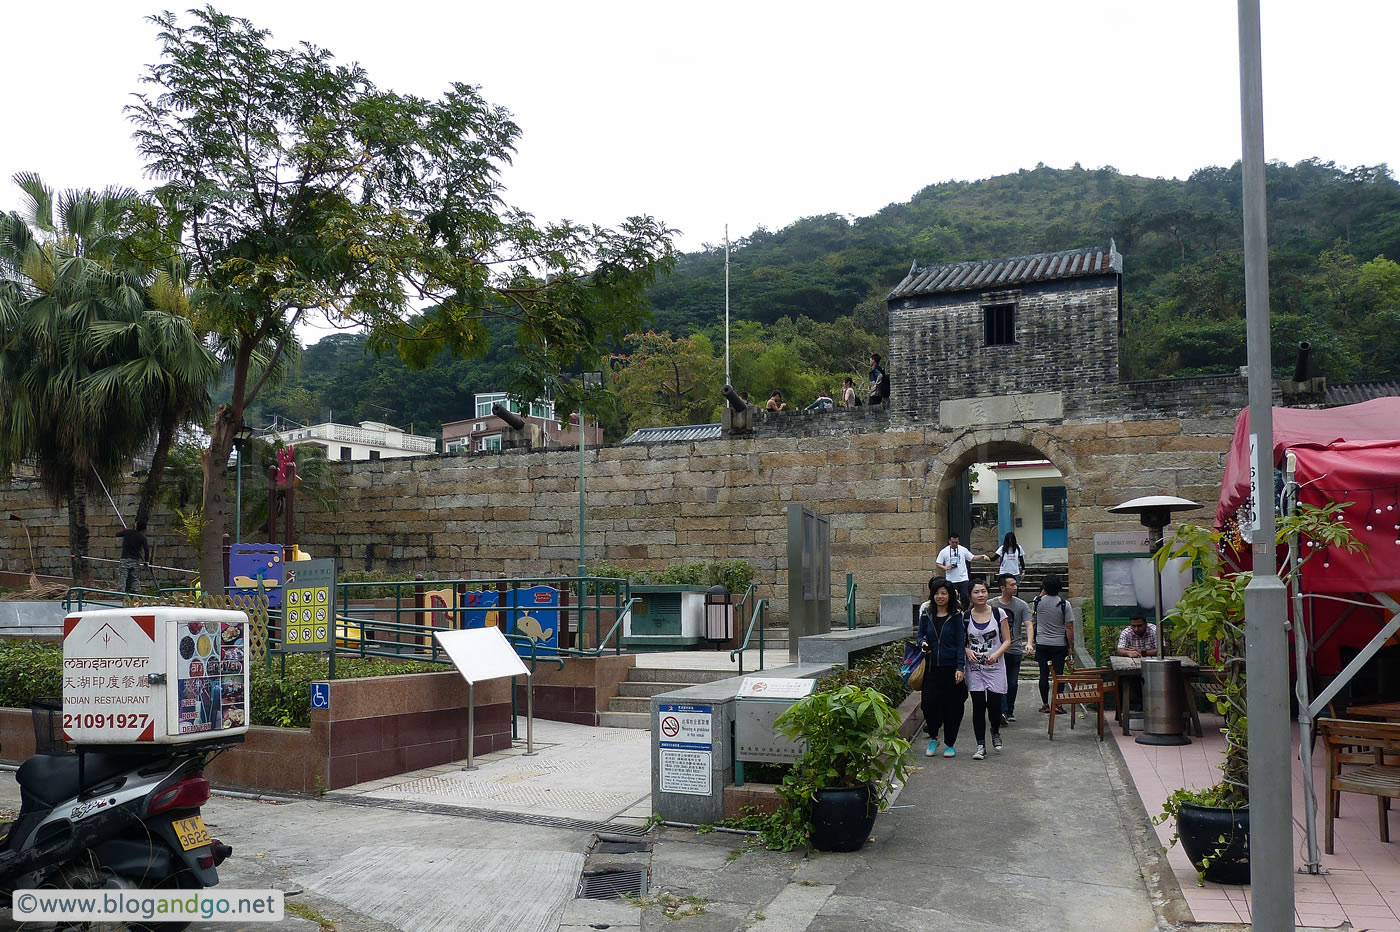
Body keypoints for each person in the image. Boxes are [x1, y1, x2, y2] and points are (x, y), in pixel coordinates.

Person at [917, 577, 966, 759]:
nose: (940, 596)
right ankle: (933, 736)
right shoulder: (926, 614)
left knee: (952, 707)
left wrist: (960, 667)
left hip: (951, 667)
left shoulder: (956, 616)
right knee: (929, 704)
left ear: (950, 595)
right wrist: (922, 642)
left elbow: (961, 643)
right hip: (931, 667)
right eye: (937, 593)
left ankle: (950, 743)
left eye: (943, 593)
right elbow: (920, 635)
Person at [964, 580, 1011, 759]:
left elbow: (1007, 639)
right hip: (975, 669)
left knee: (994, 705)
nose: (981, 595)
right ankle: (980, 745)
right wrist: (967, 650)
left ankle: (995, 730)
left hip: (995, 666)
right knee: (977, 706)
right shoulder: (966, 617)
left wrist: (997, 654)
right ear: (970, 595)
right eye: (976, 592)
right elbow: (961, 642)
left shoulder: (999, 613)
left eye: (983, 591)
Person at [1027, 573, 1075, 714]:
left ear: (1044, 587)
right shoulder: (1064, 604)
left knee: (1043, 674)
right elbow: (1069, 626)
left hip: (1042, 643)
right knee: (1058, 675)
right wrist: (1070, 646)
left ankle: (1045, 704)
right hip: (1059, 644)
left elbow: (1033, 620)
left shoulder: (1037, 601)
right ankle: (1058, 704)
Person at [994, 573, 1031, 724]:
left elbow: (1028, 624)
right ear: (1003, 587)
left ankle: (1009, 710)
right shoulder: (992, 604)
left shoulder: (1021, 605)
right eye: (1012, 585)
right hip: (997, 650)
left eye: (1016, 584)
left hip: (1015, 648)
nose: (1015, 587)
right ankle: (1002, 712)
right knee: (1000, 682)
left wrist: (1029, 642)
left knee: (1013, 682)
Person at [1116, 613, 1159, 713]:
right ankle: (1126, 711)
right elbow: (1119, 649)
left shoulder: (1154, 630)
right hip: (1134, 668)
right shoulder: (1126, 632)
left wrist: (1141, 652)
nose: (1136, 629)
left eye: (1139, 626)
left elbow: (1161, 649)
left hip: (1154, 668)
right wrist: (1128, 652)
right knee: (1126, 678)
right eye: (1133, 626)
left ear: (1146, 624)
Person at [935, 531, 988, 608]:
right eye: (952, 542)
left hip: (963, 578)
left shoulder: (963, 549)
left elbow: (972, 557)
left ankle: (965, 610)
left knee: (965, 596)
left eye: (956, 542)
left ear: (958, 541)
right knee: (952, 597)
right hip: (951, 579)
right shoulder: (944, 551)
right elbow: (938, 563)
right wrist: (945, 567)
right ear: (949, 541)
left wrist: (982, 556)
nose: (954, 544)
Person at [116, 521, 150, 593]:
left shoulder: (128, 532)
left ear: (136, 525)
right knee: (135, 578)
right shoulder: (142, 537)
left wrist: (124, 531)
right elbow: (146, 549)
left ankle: (120, 593)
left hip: (125, 559)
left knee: (123, 577)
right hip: (135, 560)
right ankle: (135, 592)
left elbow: (117, 534)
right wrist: (146, 561)